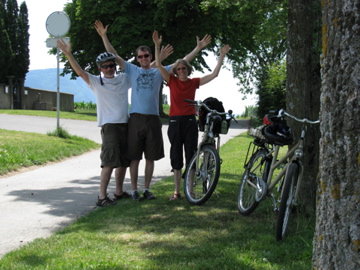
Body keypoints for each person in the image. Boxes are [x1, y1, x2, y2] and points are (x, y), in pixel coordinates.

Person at [94, 20, 212, 201]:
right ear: (137, 58)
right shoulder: (132, 70)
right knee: (134, 157)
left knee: (150, 157)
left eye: (146, 56)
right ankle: (134, 190)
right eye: (140, 56)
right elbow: (114, 55)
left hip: (153, 119)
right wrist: (104, 36)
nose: (143, 59)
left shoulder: (159, 70)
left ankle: (147, 189)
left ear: (150, 56)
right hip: (136, 118)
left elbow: (183, 62)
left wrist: (198, 48)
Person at [153, 31, 231, 200]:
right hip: (174, 122)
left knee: (191, 155)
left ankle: (190, 190)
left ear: (188, 70)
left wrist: (221, 56)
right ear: (176, 71)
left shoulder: (194, 82)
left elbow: (214, 75)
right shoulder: (171, 80)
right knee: (175, 156)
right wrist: (157, 46)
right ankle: (176, 191)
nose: (181, 70)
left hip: (189, 122)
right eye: (179, 69)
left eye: (184, 68)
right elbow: (158, 64)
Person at [57, 39, 131, 207]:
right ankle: (101, 197)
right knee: (109, 162)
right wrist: (68, 53)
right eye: (105, 66)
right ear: (100, 69)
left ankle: (118, 192)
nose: (109, 69)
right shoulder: (96, 82)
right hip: (109, 126)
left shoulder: (124, 79)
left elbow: (136, 68)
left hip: (125, 124)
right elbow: (80, 72)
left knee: (124, 161)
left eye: (112, 65)